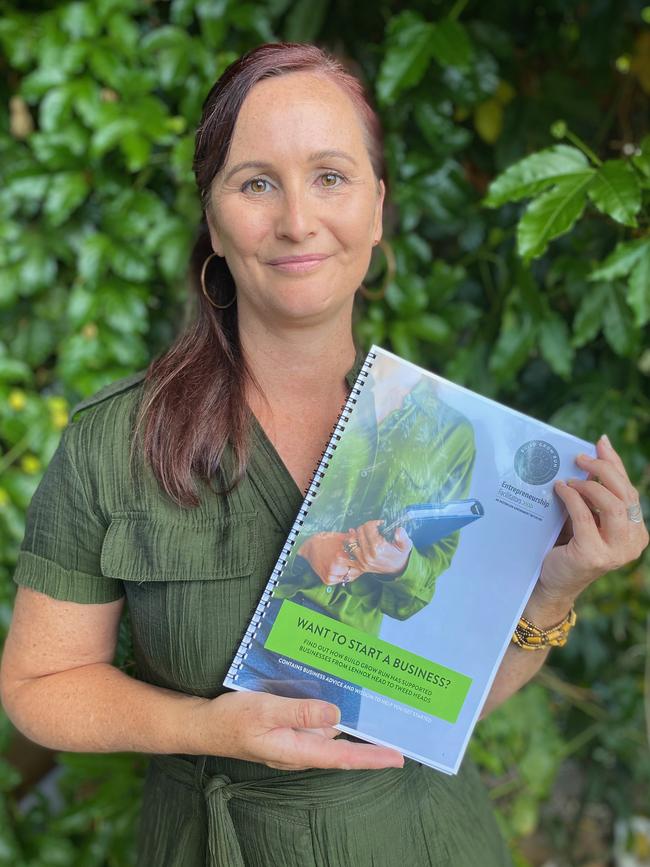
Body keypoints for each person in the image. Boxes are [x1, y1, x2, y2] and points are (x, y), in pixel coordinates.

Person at [0, 42, 647, 867]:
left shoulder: (447, 439)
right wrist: (205, 728)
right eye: (256, 181)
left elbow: (438, 701)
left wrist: (557, 588)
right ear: (214, 219)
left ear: (377, 208)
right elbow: (38, 686)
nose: (298, 219)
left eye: (331, 177)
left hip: (423, 840)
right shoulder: (115, 445)